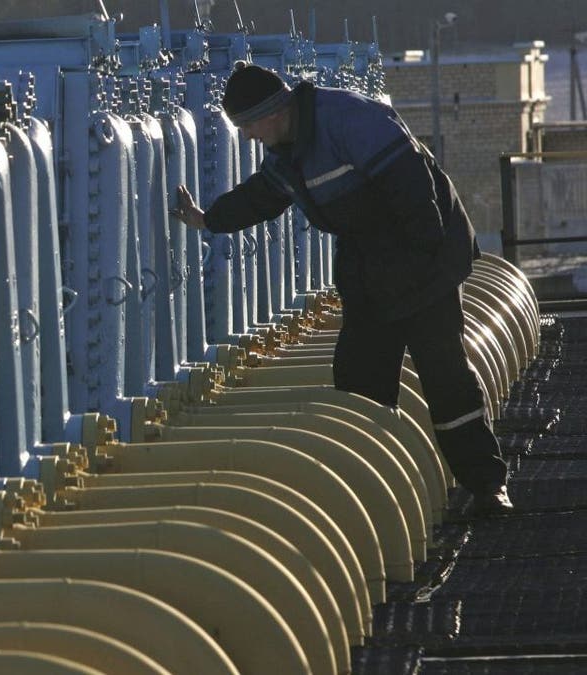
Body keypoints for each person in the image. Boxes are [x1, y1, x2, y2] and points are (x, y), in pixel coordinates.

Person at [170, 61, 512, 516]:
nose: (248, 136)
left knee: (446, 375)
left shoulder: (351, 118)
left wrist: (421, 270)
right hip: (369, 259)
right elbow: (263, 197)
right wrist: (208, 219)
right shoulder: (288, 151)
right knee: (358, 379)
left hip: (423, 256)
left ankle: (488, 485)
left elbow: (414, 189)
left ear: (272, 112)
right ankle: (372, 497)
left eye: (248, 125)